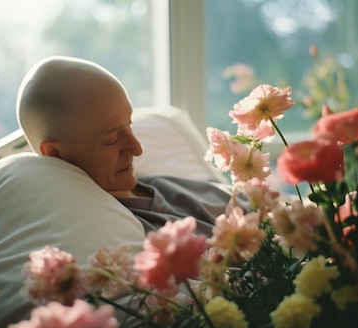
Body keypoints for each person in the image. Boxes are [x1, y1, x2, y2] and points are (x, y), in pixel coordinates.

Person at [16, 55, 241, 235]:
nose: (137, 148)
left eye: (129, 125)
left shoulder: (175, 188)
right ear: (56, 154)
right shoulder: (120, 235)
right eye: (111, 139)